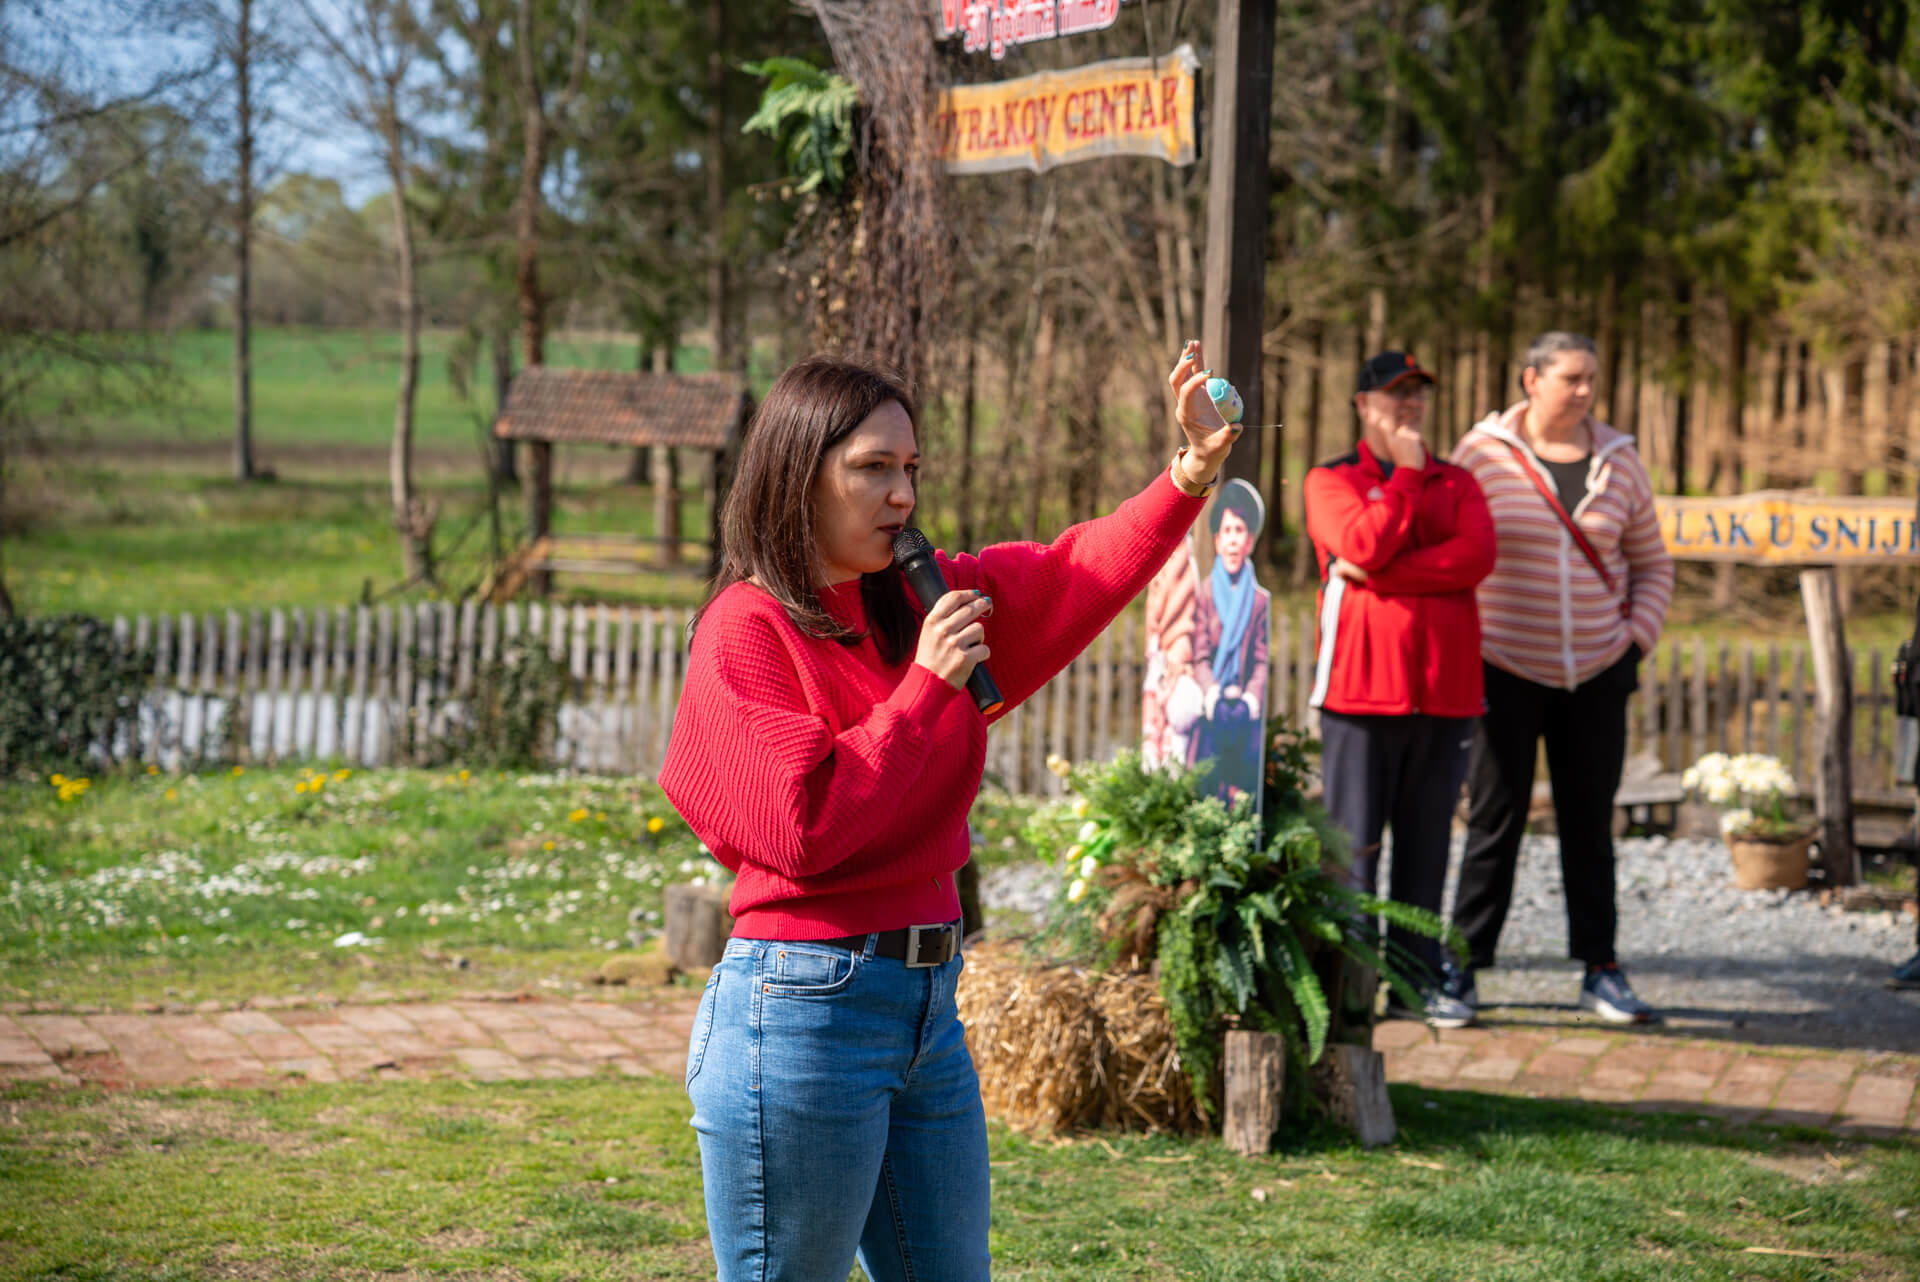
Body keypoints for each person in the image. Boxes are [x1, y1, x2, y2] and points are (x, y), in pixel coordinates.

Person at [658, 341, 1242, 1282]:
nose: (903, 495)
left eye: (911, 468)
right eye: (873, 468)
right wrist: (926, 688)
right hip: (804, 1013)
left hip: (930, 1005)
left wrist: (1190, 473)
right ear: (797, 475)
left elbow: (1074, 572)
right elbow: (802, 830)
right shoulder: (748, 628)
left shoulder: (920, 600)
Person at [1445, 331, 1674, 1025]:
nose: (1584, 391)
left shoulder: (1620, 461)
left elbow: (1652, 563)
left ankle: (1600, 969)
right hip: (1504, 669)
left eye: (1591, 379)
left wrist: (1634, 643)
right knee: (1495, 820)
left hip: (1598, 673)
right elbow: (1451, 551)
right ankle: (1462, 967)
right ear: (1531, 380)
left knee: (1589, 823)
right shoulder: (1481, 455)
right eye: (1571, 377)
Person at [1304, 351, 1496, 1028]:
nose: (1410, 404)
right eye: (1395, 393)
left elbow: (1476, 557)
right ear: (1363, 405)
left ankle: (1414, 986)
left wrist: (1384, 575)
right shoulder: (1331, 479)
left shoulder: (1460, 481)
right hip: (1359, 696)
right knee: (1353, 851)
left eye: (1419, 393)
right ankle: (1351, 994)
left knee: (1426, 848)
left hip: (1445, 696)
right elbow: (1361, 541)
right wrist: (1407, 478)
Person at [1188, 478, 1272, 807]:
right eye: (1227, 531)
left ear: (1249, 541)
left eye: (1240, 531)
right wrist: (1210, 691)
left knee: (1245, 780)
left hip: (1244, 709)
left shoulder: (1259, 600)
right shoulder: (1206, 593)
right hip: (1214, 705)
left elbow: (1261, 659)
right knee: (1209, 777)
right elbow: (1200, 655)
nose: (1233, 540)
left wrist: (1252, 696)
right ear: (1217, 540)